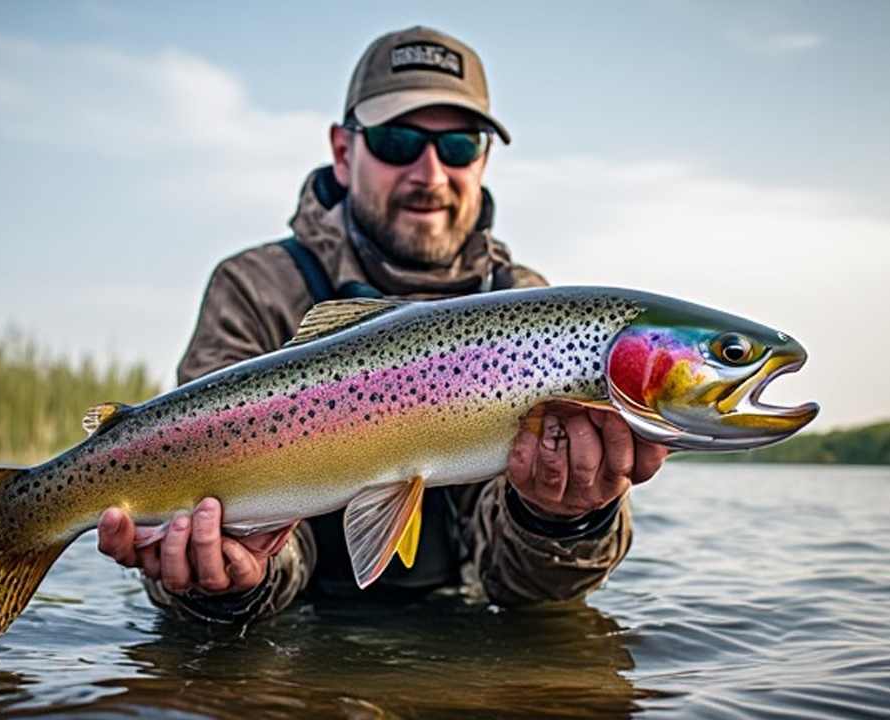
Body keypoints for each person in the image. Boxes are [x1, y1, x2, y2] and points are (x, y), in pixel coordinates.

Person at [97, 26, 668, 623]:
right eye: (398, 141)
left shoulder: (526, 308)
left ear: (483, 161)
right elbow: (221, 525)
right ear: (344, 153)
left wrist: (565, 516)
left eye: (458, 146)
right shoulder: (258, 288)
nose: (429, 173)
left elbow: (518, 586)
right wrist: (239, 578)